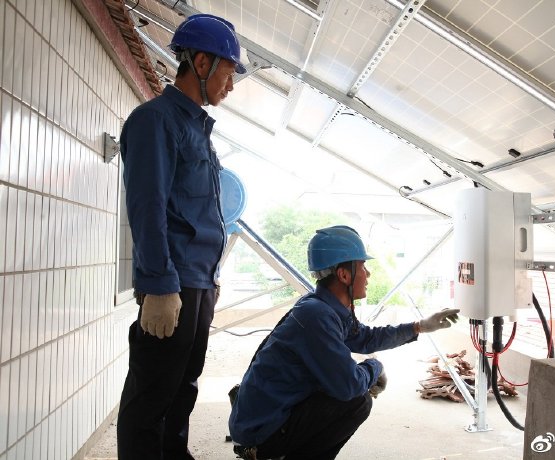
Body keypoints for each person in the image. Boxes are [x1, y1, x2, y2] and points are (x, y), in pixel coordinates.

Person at [116, 14, 247, 459]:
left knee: (183, 388)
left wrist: (209, 280)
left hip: (198, 284)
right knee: (151, 398)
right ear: (202, 62)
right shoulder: (156, 121)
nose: (231, 86)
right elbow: (148, 208)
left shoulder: (198, 130)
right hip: (172, 284)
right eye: (228, 72)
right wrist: (159, 286)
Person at [228, 225, 460, 460]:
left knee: (343, 389)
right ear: (344, 275)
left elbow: (365, 337)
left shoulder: (322, 307)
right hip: (262, 433)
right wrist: (375, 367)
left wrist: (419, 326)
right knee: (356, 401)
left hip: (264, 419)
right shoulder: (316, 316)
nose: (368, 274)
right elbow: (349, 385)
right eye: (363, 267)